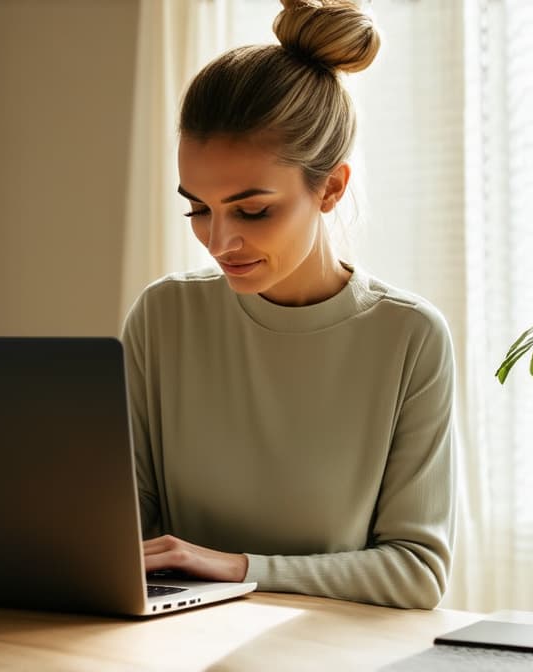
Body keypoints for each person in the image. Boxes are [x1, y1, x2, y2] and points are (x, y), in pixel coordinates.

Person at [121, 0, 456, 610]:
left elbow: (417, 572)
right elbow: (120, 541)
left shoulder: (409, 336)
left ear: (330, 188)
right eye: (198, 208)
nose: (220, 241)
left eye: (252, 210)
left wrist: (237, 567)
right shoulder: (163, 317)